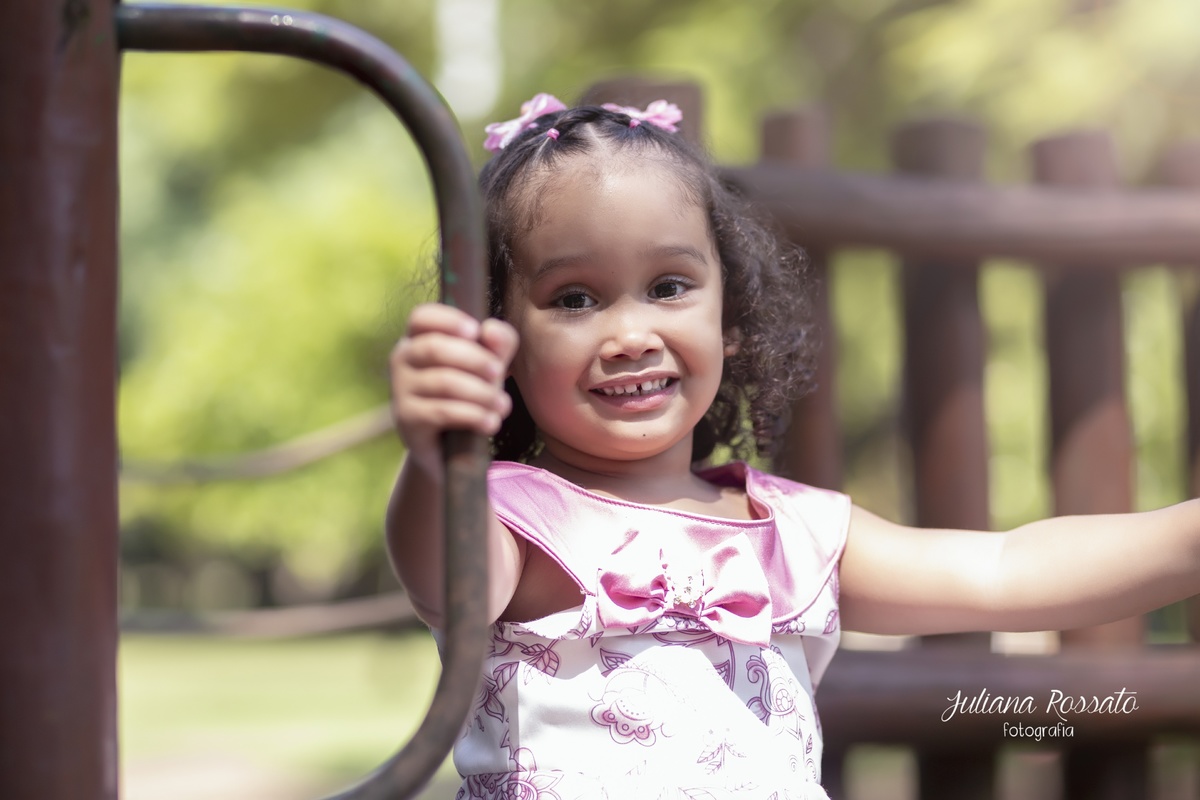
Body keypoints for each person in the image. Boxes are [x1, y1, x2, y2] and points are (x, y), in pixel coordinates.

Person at [386, 93, 1200, 800]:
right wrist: (433, 457)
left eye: (669, 287)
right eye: (574, 298)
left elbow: (1006, 569)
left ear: (730, 317)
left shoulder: (792, 531)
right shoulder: (503, 514)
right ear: (500, 333)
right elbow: (445, 576)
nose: (631, 334)